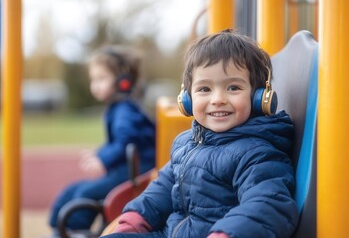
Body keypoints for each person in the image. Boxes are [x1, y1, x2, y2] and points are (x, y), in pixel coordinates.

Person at [102, 30, 298, 238]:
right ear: (186, 99)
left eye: (233, 87)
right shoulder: (186, 143)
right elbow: (164, 186)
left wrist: (226, 234)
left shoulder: (257, 153)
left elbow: (268, 204)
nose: (218, 99)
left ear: (259, 97)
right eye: (205, 89)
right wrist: (136, 218)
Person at [48, 45, 156, 235]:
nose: (95, 85)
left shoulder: (125, 110)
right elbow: (118, 143)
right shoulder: (118, 108)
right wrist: (99, 153)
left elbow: (126, 142)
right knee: (72, 189)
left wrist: (103, 159)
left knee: (85, 194)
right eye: (93, 79)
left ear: (123, 81)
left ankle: (75, 232)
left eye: (101, 78)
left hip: (138, 172)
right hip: (127, 169)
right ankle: (58, 228)